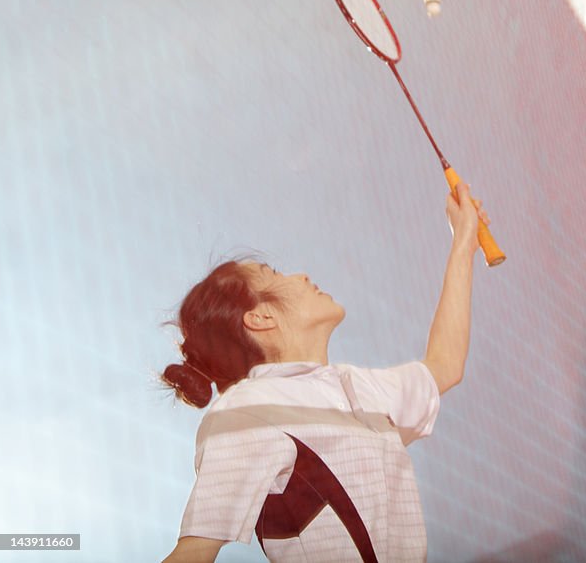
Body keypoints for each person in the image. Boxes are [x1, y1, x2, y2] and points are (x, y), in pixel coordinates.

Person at [160, 183, 491, 563]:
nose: (300, 275)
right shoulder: (247, 409)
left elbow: (444, 366)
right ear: (260, 317)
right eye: (273, 273)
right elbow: (196, 550)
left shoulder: (356, 388)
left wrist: (464, 241)